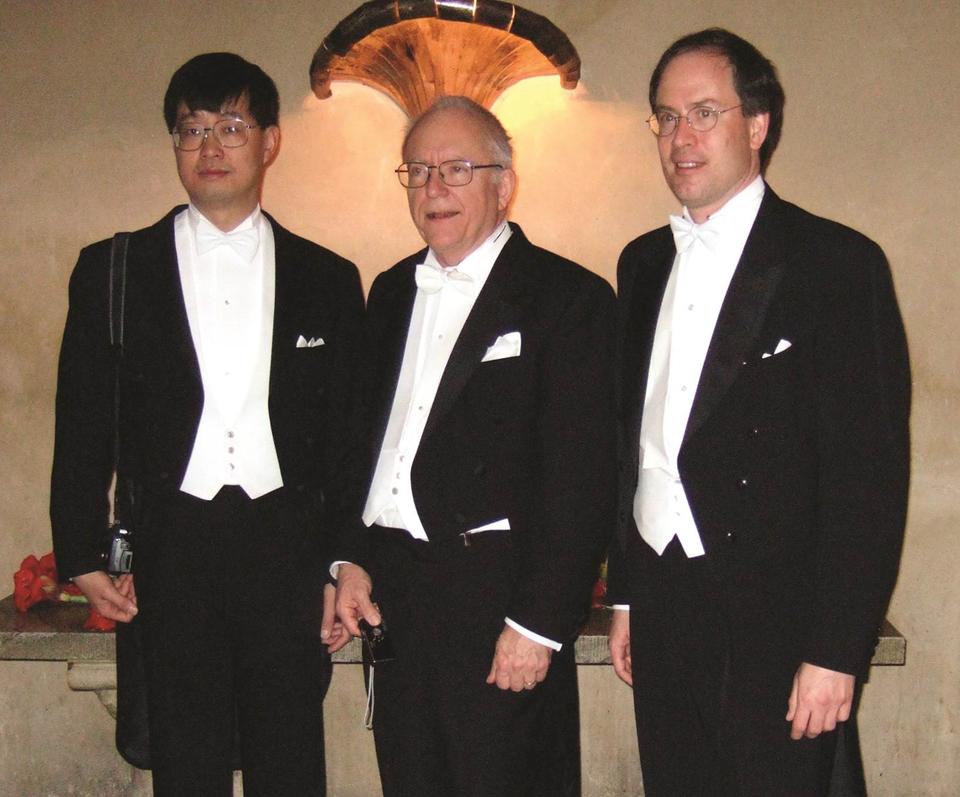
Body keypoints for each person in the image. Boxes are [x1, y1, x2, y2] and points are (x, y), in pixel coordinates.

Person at [607, 28, 911, 796]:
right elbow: (637, 444)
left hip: (778, 620)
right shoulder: (642, 263)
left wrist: (837, 648)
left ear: (756, 125)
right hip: (666, 601)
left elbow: (867, 476)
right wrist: (628, 593)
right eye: (666, 117)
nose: (682, 137)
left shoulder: (837, 265)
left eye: (705, 113)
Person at [50, 52, 363, 796]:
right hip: (172, 545)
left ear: (269, 141)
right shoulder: (113, 270)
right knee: (184, 763)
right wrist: (80, 549)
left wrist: (342, 558)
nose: (212, 147)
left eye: (231, 126)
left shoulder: (327, 277)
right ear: (175, 146)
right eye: (192, 130)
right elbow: (82, 417)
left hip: (285, 546)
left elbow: (349, 436)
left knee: (290, 762)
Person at [326, 95, 616, 796]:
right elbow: (369, 441)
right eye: (418, 170)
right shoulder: (392, 289)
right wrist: (352, 557)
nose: (434, 187)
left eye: (456, 168)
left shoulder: (568, 297)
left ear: (503, 183)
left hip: (498, 604)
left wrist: (539, 622)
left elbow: (581, 477)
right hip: (399, 600)